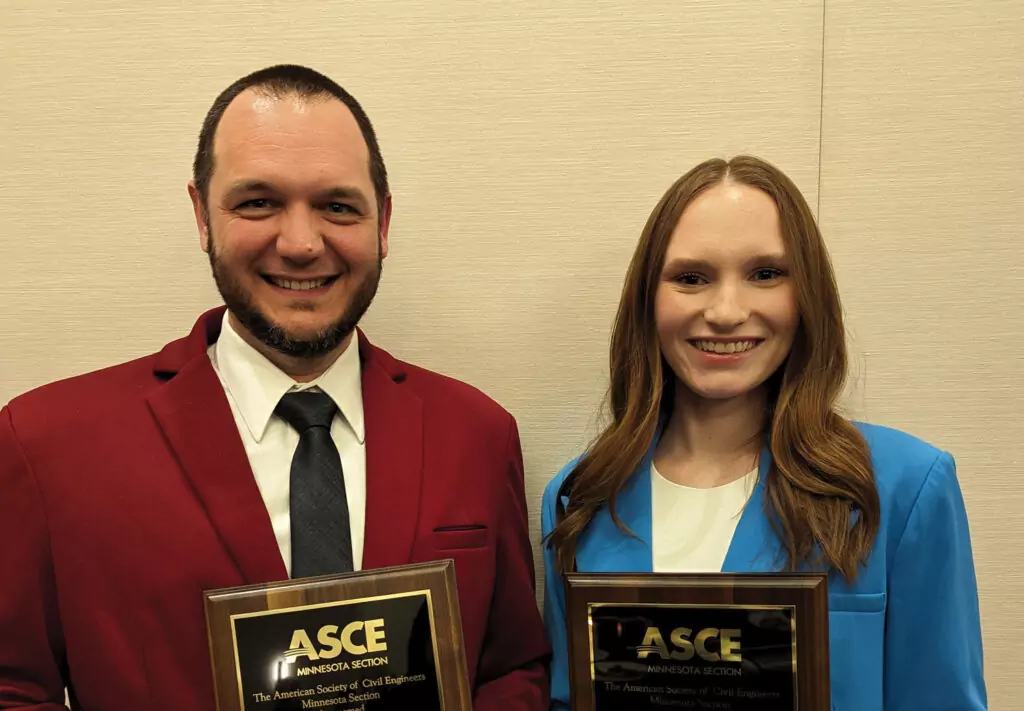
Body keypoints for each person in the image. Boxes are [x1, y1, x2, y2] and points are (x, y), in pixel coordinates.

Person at [0, 64, 550, 710]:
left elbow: (511, 669)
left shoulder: (476, 432)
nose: (300, 242)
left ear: (383, 223)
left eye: (337, 206)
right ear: (203, 215)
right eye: (258, 202)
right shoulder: (47, 443)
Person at [540, 155, 986, 710]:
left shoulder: (903, 487)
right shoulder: (582, 495)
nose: (726, 312)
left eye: (766, 274)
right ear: (647, 300)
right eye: (691, 278)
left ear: (807, 298)